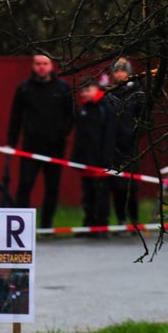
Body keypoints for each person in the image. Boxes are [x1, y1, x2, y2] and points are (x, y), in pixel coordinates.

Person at [7, 53, 74, 228]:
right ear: (33, 66)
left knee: (52, 188)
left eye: (45, 63)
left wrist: (62, 133)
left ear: (51, 66)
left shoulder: (63, 88)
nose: (41, 67)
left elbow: (71, 115)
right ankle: (20, 227)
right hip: (30, 147)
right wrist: (11, 143)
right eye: (38, 63)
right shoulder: (24, 88)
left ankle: (46, 226)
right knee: (25, 185)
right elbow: (16, 117)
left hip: (55, 147)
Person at [72, 78, 117, 236]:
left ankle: (101, 225)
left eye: (87, 90)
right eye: (82, 91)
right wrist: (76, 158)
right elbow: (80, 136)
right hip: (86, 161)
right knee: (88, 194)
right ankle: (89, 223)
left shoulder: (105, 108)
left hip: (100, 161)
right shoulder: (84, 109)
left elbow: (109, 136)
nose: (84, 94)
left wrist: (106, 160)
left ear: (96, 89)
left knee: (101, 194)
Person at [106, 58, 144, 225]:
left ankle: (133, 219)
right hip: (113, 147)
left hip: (130, 147)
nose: (120, 73)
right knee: (115, 186)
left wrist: (134, 135)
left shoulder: (138, 93)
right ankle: (121, 219)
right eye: (117, 70)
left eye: (123, 70)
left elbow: (145, 118)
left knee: (130, 186)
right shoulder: (109, 94)